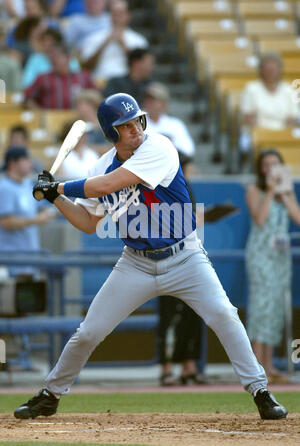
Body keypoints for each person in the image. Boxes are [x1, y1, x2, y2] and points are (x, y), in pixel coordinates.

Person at [14, 93, 287, 420]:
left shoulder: (158, 147)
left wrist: (58, 187)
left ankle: (261, 391)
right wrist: (54, 199)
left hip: (184, 256)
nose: (135, 130)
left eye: (136, 121)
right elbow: (87, 223)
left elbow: (108, 185)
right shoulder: (100, 166)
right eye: (124, 126)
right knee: (88, 331)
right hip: (136, 262)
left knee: (224, 315)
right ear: (111, 133)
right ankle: (50, 394)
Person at [245, 148, 300, 383]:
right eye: (266, 164)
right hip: (260, 255)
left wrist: (285, 195)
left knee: (275, 307)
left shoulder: (286, 191)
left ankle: (268, 364)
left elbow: (297, 219)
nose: (270, 169)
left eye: (274, 164)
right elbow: (260, 219)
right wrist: (269, 192)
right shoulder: (253, 189)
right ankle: (256, 366)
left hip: (280, 256)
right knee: (261, 305)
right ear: (260, 168)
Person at [158, 152, 205, 386]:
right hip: (164, 258)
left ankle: (189, 365)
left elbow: (193, 221)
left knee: (193, 312)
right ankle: (166, 367)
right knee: (169, 316)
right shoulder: (156, 185)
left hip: (187, 255)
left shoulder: (187, 188)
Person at [0, 146, 54, 276]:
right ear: (13, 164)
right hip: (12, 260)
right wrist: (37, 219)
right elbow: (5, 222)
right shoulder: (5, 188)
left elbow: (42, 207)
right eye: (25, 159)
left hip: (30, 257)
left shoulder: (27, 184)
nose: (30, 162)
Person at [239, 52, 299, 158]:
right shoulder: (251, 88)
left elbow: (292, 118)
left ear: (279, 70)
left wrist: (284, 136)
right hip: (259, 132)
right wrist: (261, 136)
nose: (270, 72)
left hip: (283, 134)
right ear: (261, 70)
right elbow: (248, 118)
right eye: (267, 69)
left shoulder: (288, 89)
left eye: (273, 69)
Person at [80, 0, 148, 82]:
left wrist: (123, 45)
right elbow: (86, 67)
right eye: (113, 13)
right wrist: (104, 44)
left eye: (120, 13)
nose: (116, 17)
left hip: (128, 84)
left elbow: (142, 69)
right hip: (100, 82)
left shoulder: (139, 41)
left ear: (128, 15)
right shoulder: (94, 38)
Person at [24, 43, 96, 109]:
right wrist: (41, 114)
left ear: (67, 58)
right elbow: (28, 99)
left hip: (79, 119)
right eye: (51, 57)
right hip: (51, 120)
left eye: (57, 57)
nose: (53, 60)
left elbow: (97, 97)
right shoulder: (43, 78)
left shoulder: (83, 77)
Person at [143, 82, 195, 158]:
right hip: (146, 162)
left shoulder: (175, 124)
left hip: (171, 162)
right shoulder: (137, 123)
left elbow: (188, 150)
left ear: (164, 103)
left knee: (188, 166)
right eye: (148, 99)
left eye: (154, 100)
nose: (150, 103)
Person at [74, 89, 112, 154]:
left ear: (92, 105)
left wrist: (88, 149)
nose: (77, 107)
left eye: (81, 104)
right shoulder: (76, 125)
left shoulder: (106, 125)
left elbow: (112, 148)